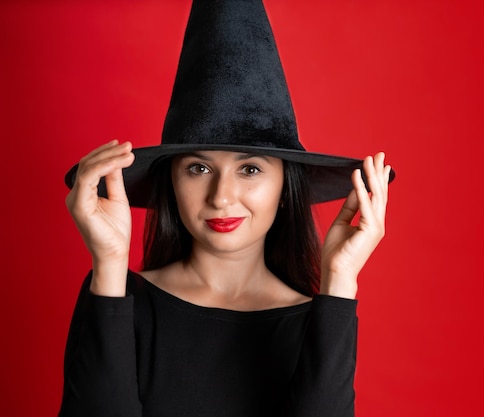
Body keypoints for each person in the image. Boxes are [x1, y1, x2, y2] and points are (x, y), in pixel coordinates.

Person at [59, 1, 394, 416]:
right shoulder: (119, 297)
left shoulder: (316, 322)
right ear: (172, 184)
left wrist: (340, 281)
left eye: (250, 169)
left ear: (286, 188)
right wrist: (109, 263)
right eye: (198, 168)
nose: (221, 196)